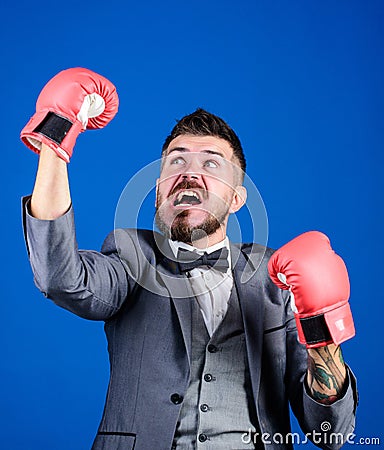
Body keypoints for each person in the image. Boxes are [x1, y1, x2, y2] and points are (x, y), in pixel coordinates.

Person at [21, 68, 358, 450]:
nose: (190, 175)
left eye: (211, 164)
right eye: (176, 163)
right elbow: (60, 278)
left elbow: (330, 433)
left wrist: (321, 327)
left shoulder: (274, 277)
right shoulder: (131, 255)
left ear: (237, 199)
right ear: (159, 191)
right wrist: (55, 133)